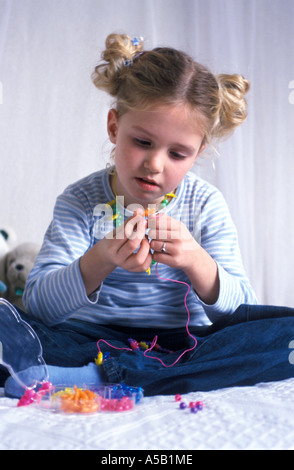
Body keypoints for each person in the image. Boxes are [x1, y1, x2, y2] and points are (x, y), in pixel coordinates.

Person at [2, 34, 294, 397]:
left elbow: (241, 311)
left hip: (184, 346)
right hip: (86, 341)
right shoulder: (79, 201)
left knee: (284, 331)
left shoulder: (204, 204)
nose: (154, 165)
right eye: (142, 141)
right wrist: (100, 259)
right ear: (114, 127)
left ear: (199, 151)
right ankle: (113, 371)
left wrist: (196, 261)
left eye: (178, 153)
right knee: (7, 320)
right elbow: (39, 306)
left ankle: (97, 378)